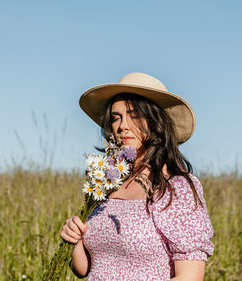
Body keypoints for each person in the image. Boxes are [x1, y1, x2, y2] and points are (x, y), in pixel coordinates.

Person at [60, 72, 214, 281]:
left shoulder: (175, 188)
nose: (122, 125)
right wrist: (75, 240)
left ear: (155, 120)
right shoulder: (105, 183)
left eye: (134, 115)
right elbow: (86, 269)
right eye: (116, 117)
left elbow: (190, 277)